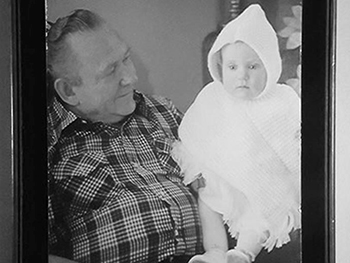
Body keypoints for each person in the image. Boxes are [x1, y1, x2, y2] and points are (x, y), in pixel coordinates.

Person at [46, 9, 203, 263]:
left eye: (126, 58)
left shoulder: (163, 110)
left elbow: (221, 180)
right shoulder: (47, 144)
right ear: (69, 90)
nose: (131, 77)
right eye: (110, 71)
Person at [172, 4, 301, 263]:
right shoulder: (213, 97)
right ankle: (215, 251)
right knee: (208, 201)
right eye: (232, 67)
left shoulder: (282, 99)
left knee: (263, 206)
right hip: (224, 175)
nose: (241, 76)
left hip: (262, 178)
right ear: (219, 68)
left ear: (270, 65)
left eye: (252, 67)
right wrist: (199, 168)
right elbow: (199, 135)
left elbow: (293, 145)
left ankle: (243, 252)